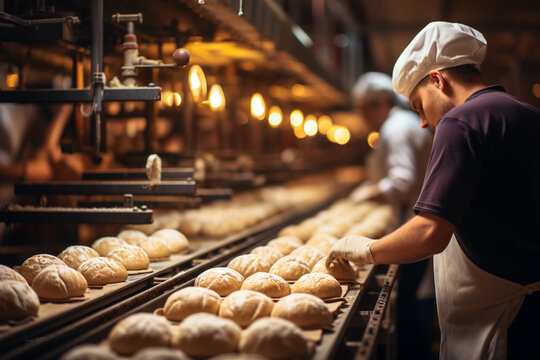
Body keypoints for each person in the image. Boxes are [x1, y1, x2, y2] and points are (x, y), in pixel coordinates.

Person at [327, 21, 540, 360]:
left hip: (500, 322)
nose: (423, 122)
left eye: (418, 106)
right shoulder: (528, 114)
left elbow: (431, 231)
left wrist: (369, 249)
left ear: (438, 80)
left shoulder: (460, 121)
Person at [350, 72, 435, 359]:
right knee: (414, 298)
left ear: (382, 102)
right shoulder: (401, 124)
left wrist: (364, 195)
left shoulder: (396, 128)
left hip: (416, 223)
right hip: (417, 220)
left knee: (410, 302)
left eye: (365, 110)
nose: (363, 118)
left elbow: (401, 181)